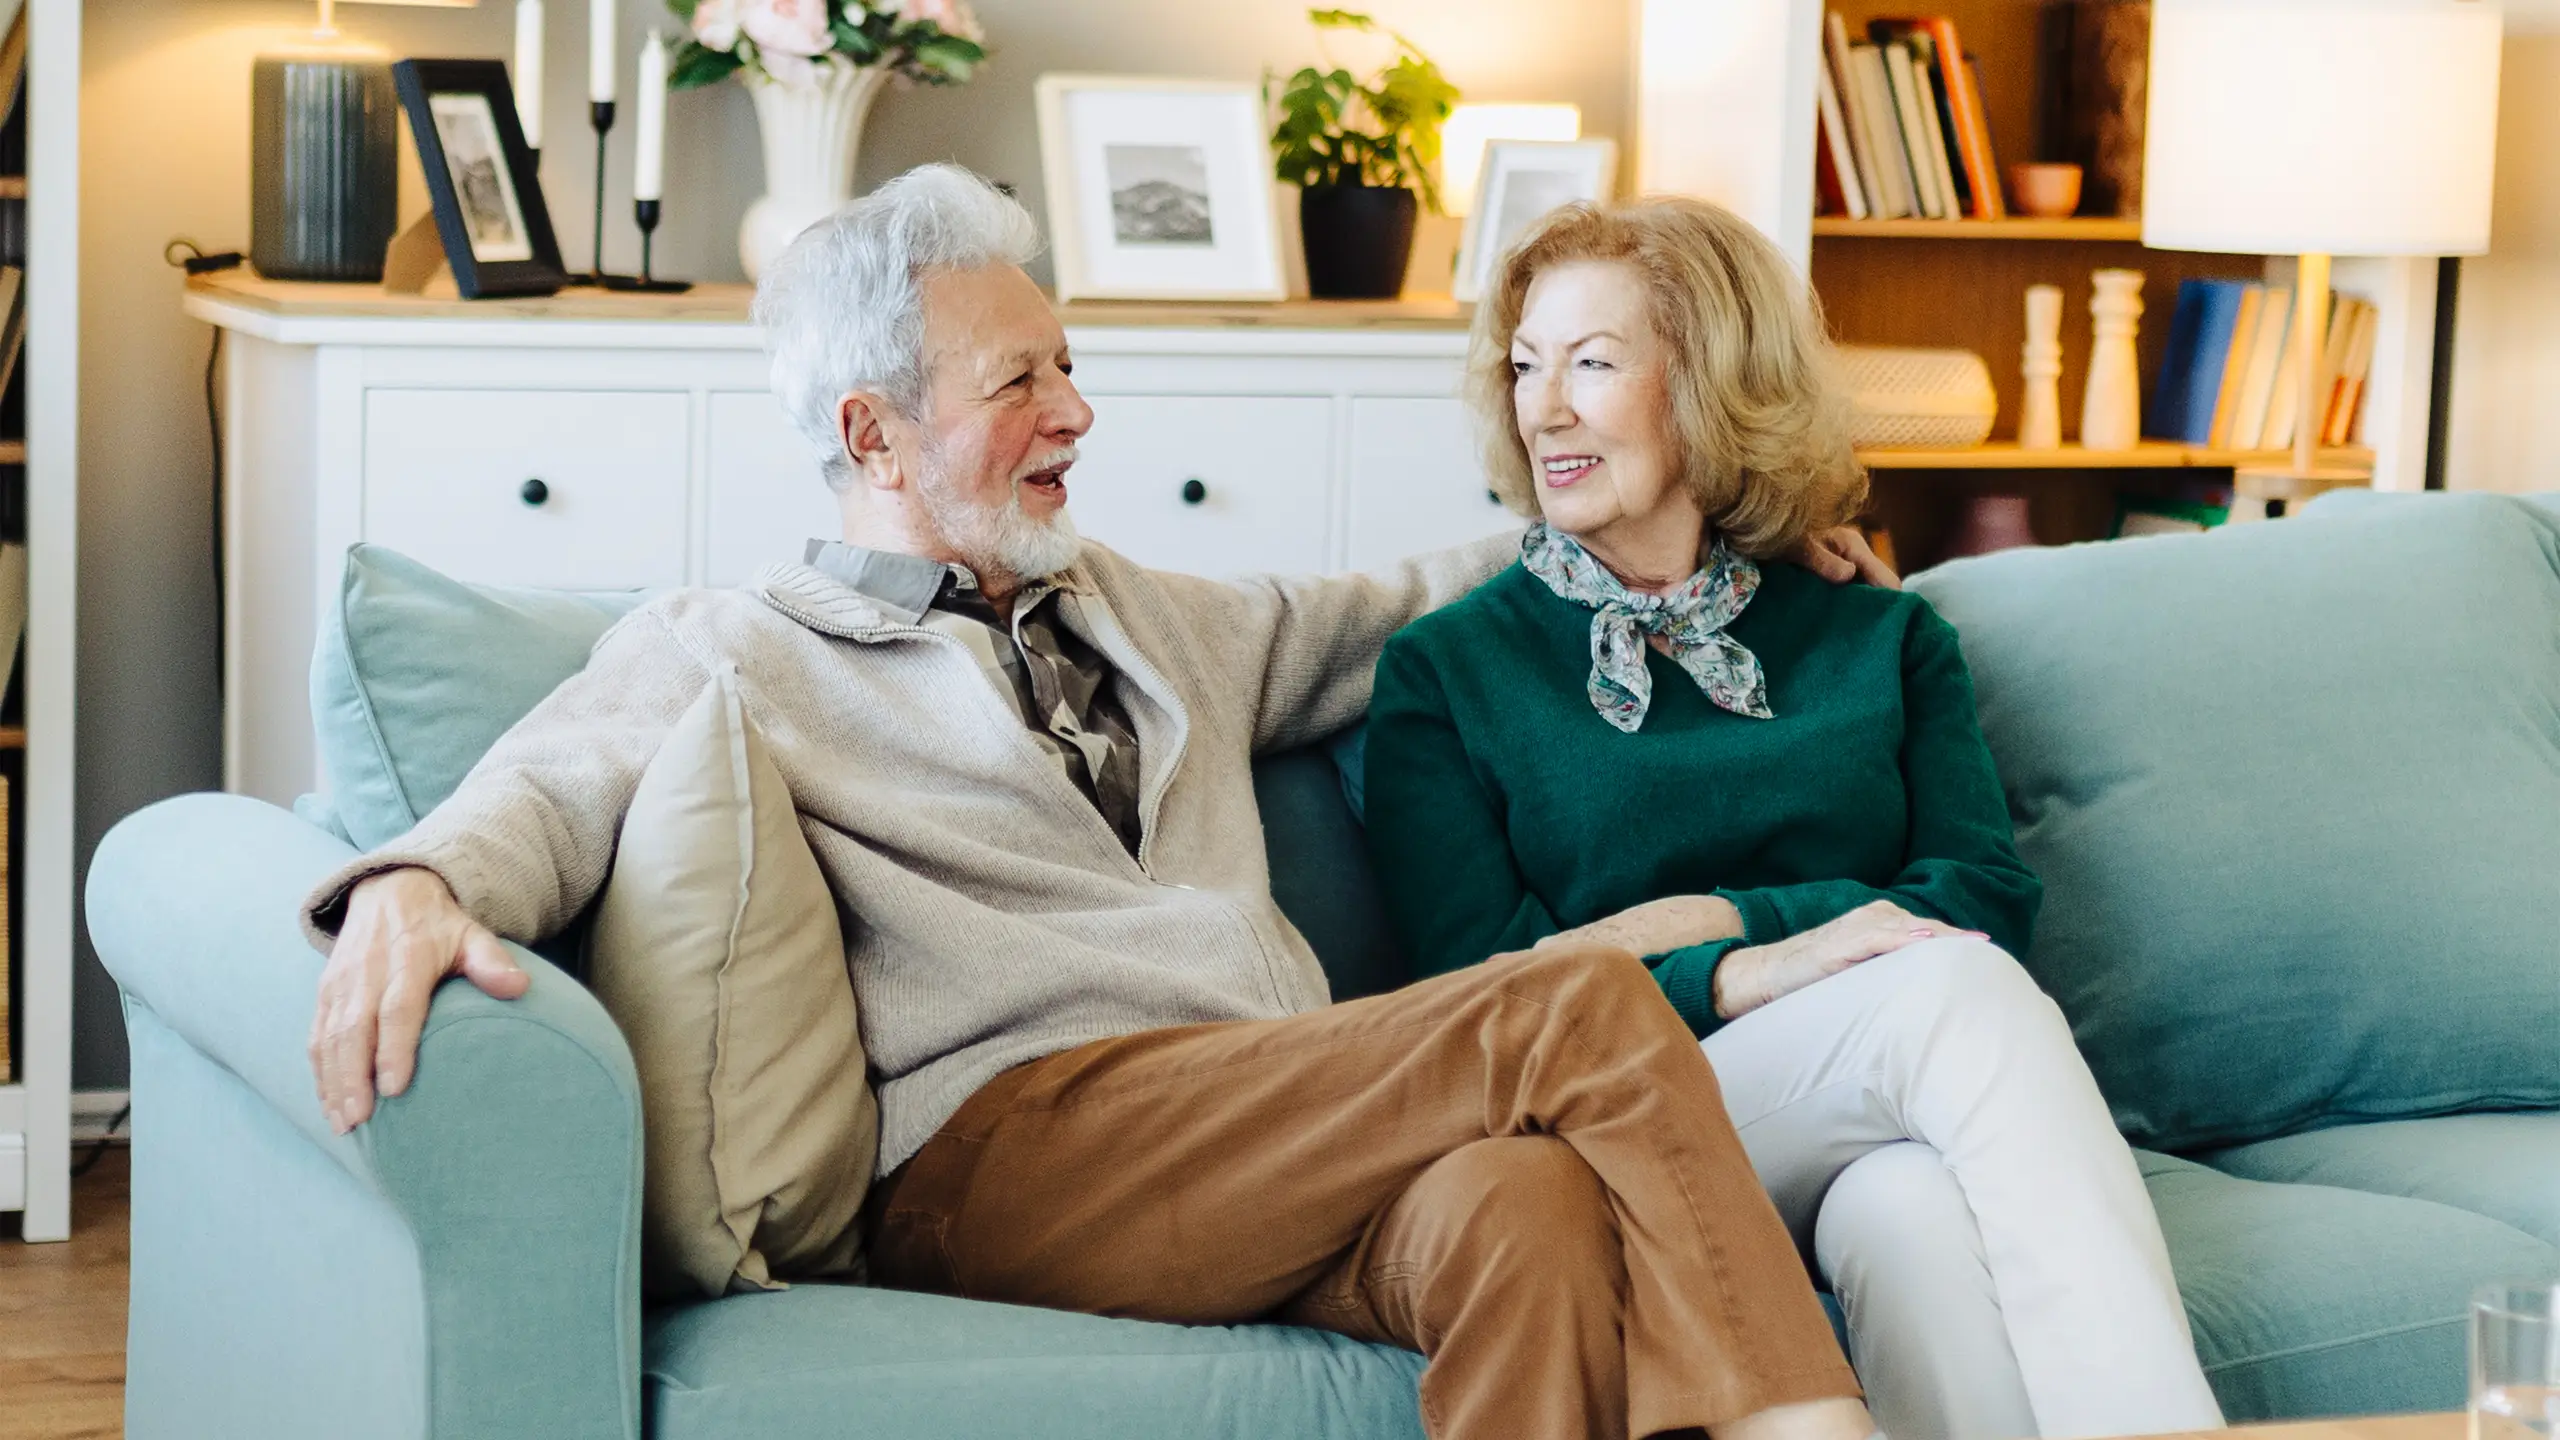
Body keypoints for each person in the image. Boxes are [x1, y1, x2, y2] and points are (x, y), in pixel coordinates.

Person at [299, 165, 1907, 1440]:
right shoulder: (735, 647)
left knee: (1524, 1205)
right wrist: (417, 886)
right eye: (1021, 381)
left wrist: (1727, 534)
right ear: (875, 434)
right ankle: (1813, 1427)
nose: (1077, 414)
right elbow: (547, 784)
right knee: (1575, 1008)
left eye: (1072, 366)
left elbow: (1402, 603)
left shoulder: (1147, 610)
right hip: (1003, 1152)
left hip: (1256, 1118)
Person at [1359, 195, 2227, 1440]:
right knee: (1956, 997)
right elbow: (1484, 993)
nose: (1542, 406)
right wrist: (1750, 974)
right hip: (1618, 1104)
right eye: (1524, 365)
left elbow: (1983, 900)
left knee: (1912, 1212)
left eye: (1592, 364)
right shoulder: (1446, 671)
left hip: (1859, 1102)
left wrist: (1734, 917)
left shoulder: (1881, 632)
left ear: (1709, 382)